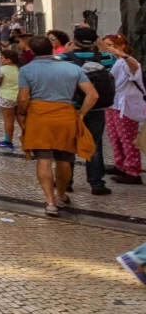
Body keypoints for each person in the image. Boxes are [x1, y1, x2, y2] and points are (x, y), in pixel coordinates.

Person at [17, 35, 98, 216]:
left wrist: (23, 112)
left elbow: (23, 98)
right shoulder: (72, 68)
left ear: (32, 51)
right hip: (65, 115)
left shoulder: (27, 70)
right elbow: (93, 95)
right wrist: (82, 113)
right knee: (64, 159)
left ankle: (50, 201)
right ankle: (61, 195)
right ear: (52, 48)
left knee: (43, 159)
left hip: (39, 117)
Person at [60, 27, 115, 196]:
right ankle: (97, 184)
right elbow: (109, 52)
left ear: (73, 40)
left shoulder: (63, 59)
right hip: (96, 107)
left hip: (72, 107)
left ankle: (66, 181)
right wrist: (96, 38)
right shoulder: (106, 58)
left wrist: (67, 51)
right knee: (95, 145)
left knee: (68, 145)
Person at [101, 34, 144, 186]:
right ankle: (121, 165)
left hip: (125, 106)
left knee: (127, 138)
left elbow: (135, 68)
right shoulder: (114, 61)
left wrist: (124, 56)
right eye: (105, 45)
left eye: (110, 45)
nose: (107, 48)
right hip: (112, 104)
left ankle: (133, 172)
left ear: (121, 46)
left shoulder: (127, 61)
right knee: (115, 137)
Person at [0, 49, 20, 151]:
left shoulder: (3, 69)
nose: (1, 59)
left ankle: (8, 142)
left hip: (6, 97)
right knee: (23, 121)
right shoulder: (21, 69)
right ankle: (29, 141)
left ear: (8, 60)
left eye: (2, 58)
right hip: (20, 98)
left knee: (8, 120)